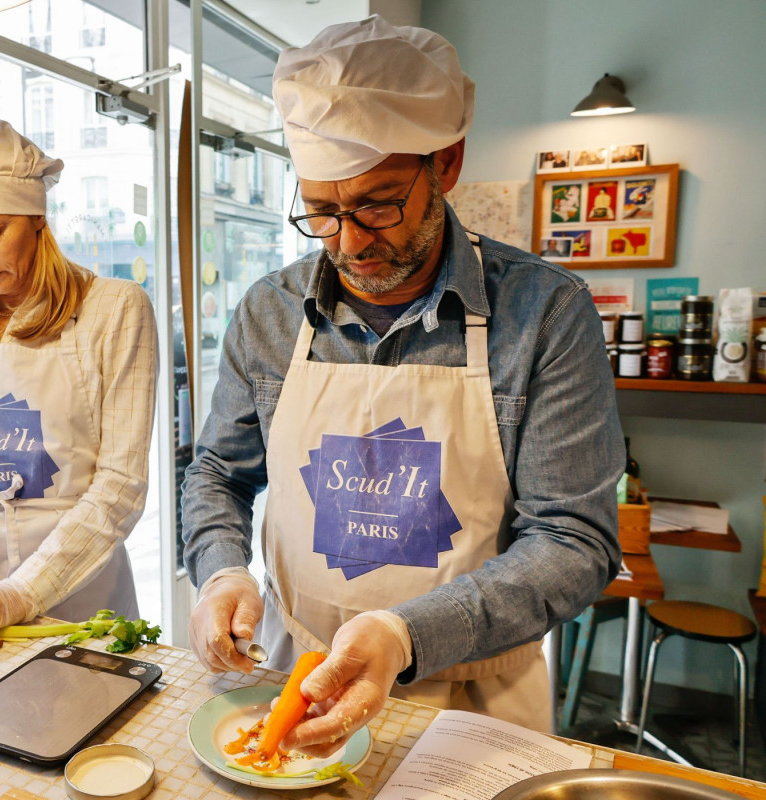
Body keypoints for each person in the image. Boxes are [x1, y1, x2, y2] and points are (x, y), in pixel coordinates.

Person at [182, 15, 622, 751]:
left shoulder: (544, 312)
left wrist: (403, 633)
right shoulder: (269, 311)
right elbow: (217, 473)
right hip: (292, 676)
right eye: (322, 211)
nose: (350, 243)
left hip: (474, 698)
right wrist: (221, 571)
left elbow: (573, 539)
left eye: (378, 204)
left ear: (445, 165)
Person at [0, 119, 158, 642]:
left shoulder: (115, 309)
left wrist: (21, 592)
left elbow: (120, 487)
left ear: (37, 218)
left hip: (81, 602)